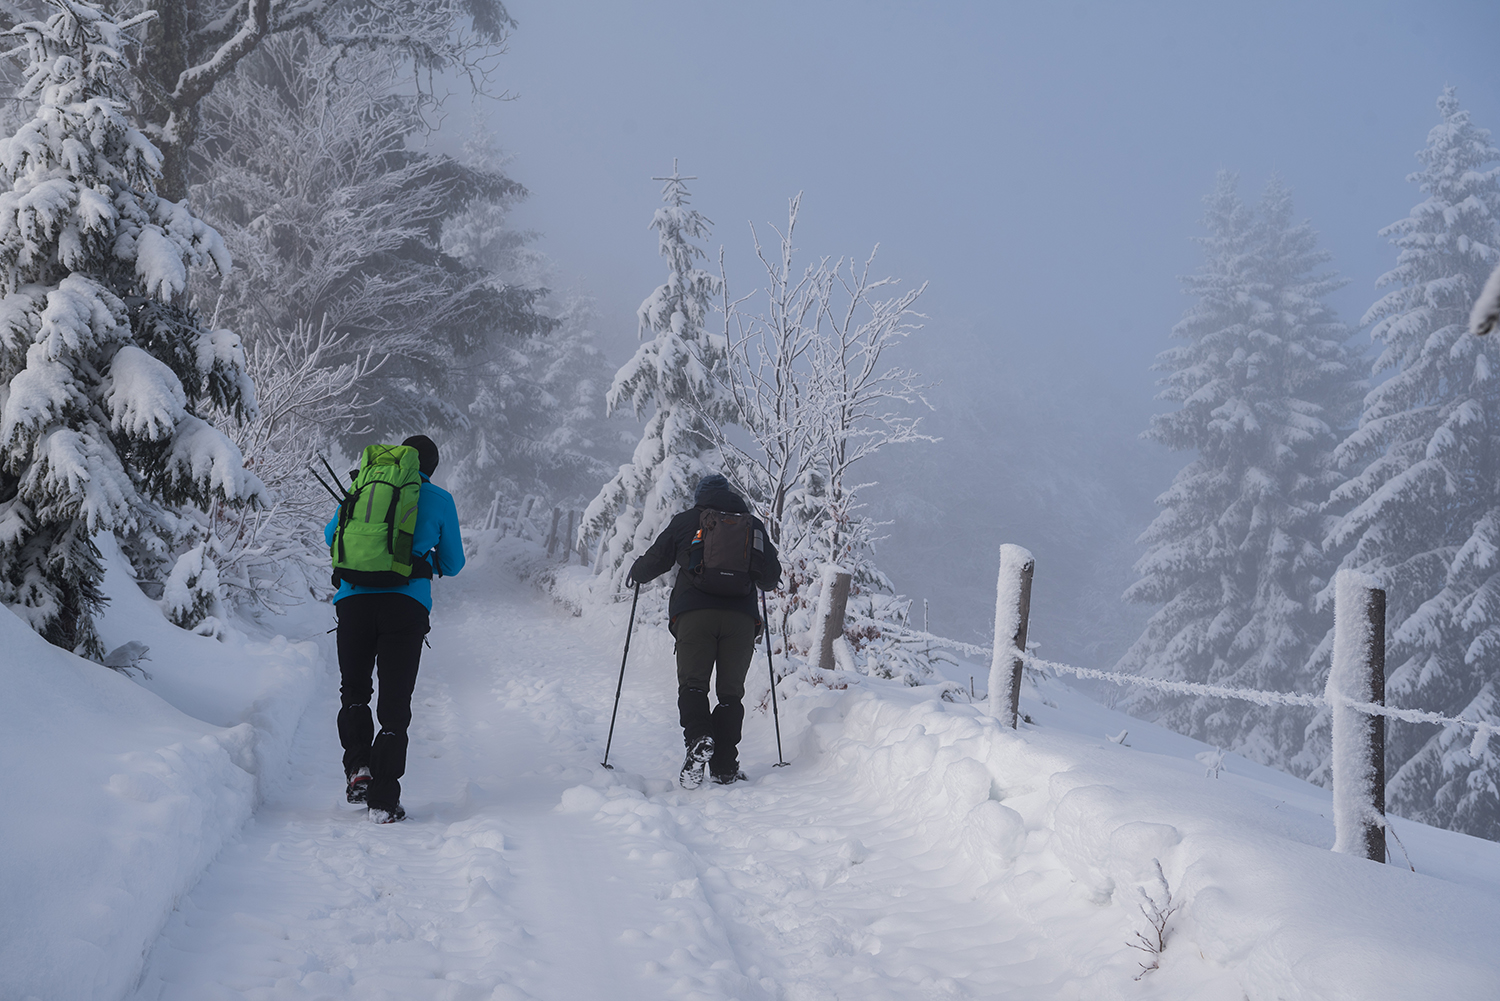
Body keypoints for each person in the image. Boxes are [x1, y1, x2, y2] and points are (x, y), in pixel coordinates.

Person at [325, 434, 465, 823]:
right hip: (405, 605)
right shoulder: (438, 499)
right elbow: (453, 563)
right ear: (432, 468)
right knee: (394, 703)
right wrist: (421, 562)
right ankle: (384, 800)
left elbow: (329, 536)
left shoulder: (364, 484)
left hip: (353, 600)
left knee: (354, 690)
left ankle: (359, 769)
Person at [629, 474, 782, 788]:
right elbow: (770, 578)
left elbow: (656, 561)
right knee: (730, 694)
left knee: (694, 685)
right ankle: (725, 767)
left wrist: (636, 571)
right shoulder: (751, 525)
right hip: (740, 621)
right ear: (729, 497)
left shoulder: (687, 521)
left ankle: (699, 739)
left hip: (694, 616)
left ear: (699, 497)